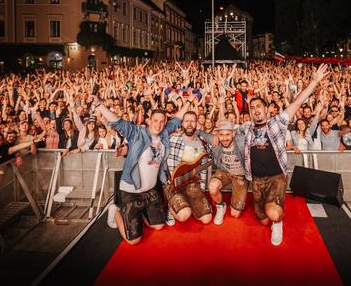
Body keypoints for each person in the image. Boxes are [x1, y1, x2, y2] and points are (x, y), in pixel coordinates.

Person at [236, 64, 329, 246]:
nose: (255, 110)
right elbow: (224, 130)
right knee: (262, 218)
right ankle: (270, 212)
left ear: (266, 110)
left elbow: (297, 102)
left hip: (276, 177)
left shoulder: (277, 123)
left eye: (259, 106)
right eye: (252, 107)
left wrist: (314, 82)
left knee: (274, 214)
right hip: (255, 179)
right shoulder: (246, 128)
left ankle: (278, 223)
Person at [95, 98, 191, 245]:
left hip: (150, 191)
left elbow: (177, 120)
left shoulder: (164, 133)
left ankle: (141, 213)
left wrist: (189, 101)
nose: (158, 125)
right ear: (149, 121)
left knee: (159, 226)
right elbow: (118, 122)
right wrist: (98, 105)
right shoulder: (137, 133)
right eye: (155, 120)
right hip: (131, 191)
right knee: (133, 241)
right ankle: (115, 210)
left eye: (162, 121)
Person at [163, 111, 213, 226]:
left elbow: (206, 165)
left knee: (207, 219)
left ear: (197, 124)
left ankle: (187, 202)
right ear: (182, 123)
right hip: (174, 184)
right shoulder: (172, 140)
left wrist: (203, 188)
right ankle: (171, 207)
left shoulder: (203, 143)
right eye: (186, 121)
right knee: (184, 215)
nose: (189, 124)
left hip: (193, 185)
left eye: (192, 121)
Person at [207, 120, 248, 225]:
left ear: (233, 133)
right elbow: (200, 133)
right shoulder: (215, 141)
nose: (224, 138)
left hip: (240, 175)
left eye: (228, 134)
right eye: (221, 135)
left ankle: (238, 202)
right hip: (225, 171)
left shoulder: (241, 140)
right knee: (212, 187)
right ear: (217, 135)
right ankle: (221, 205)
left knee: (235, 214)